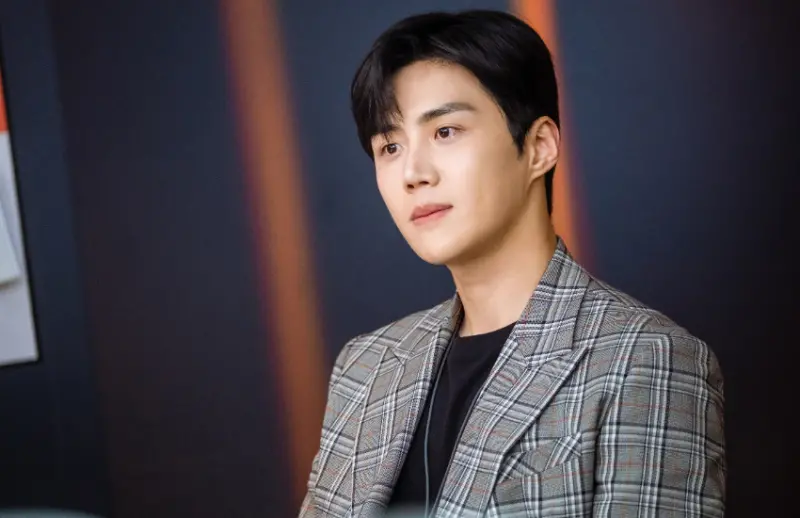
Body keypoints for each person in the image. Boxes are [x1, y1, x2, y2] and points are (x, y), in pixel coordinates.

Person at [300, 9, 725, 517]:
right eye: (390, 146)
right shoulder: (364, 366)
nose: (412, 172)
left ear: (539, 147)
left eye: (445, 131)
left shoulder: (645, 359)